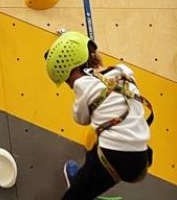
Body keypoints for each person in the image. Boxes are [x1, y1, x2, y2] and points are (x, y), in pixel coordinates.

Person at [44, 31, 154, 200]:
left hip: (112, 158)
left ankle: (82, 188)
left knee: (74, 196)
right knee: (96, 141)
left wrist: (83, 95)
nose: (69, 85)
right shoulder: (123, 71)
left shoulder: (82, 85)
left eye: (67, 80)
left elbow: (80, 118)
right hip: (140, 157)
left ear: (74, 70)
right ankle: (83, 179)